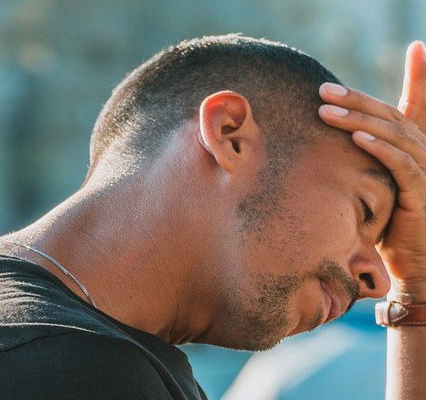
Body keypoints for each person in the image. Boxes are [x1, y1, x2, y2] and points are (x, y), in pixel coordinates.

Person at [0, 34, 424, 400]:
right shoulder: (71, 365)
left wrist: (418, 286)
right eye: (365, 211)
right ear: (229, 133)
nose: (380, 281)